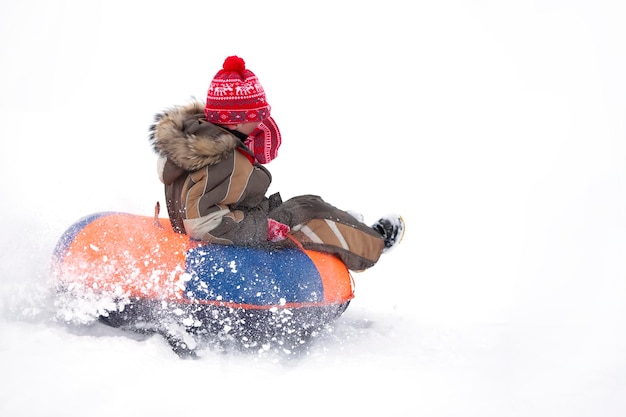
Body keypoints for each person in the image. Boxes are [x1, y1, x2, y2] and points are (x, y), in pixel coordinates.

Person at [149, 55, 404, 271]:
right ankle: (374, 242)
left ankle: (347, 223)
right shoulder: (226, 161)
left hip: (236, 218)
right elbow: (203, 224)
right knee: (313, 214)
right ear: (236, 121)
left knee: (308, 202)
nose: (262, 122)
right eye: (256, 116)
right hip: (234, 237)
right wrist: (264, 229)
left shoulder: (195, 139)